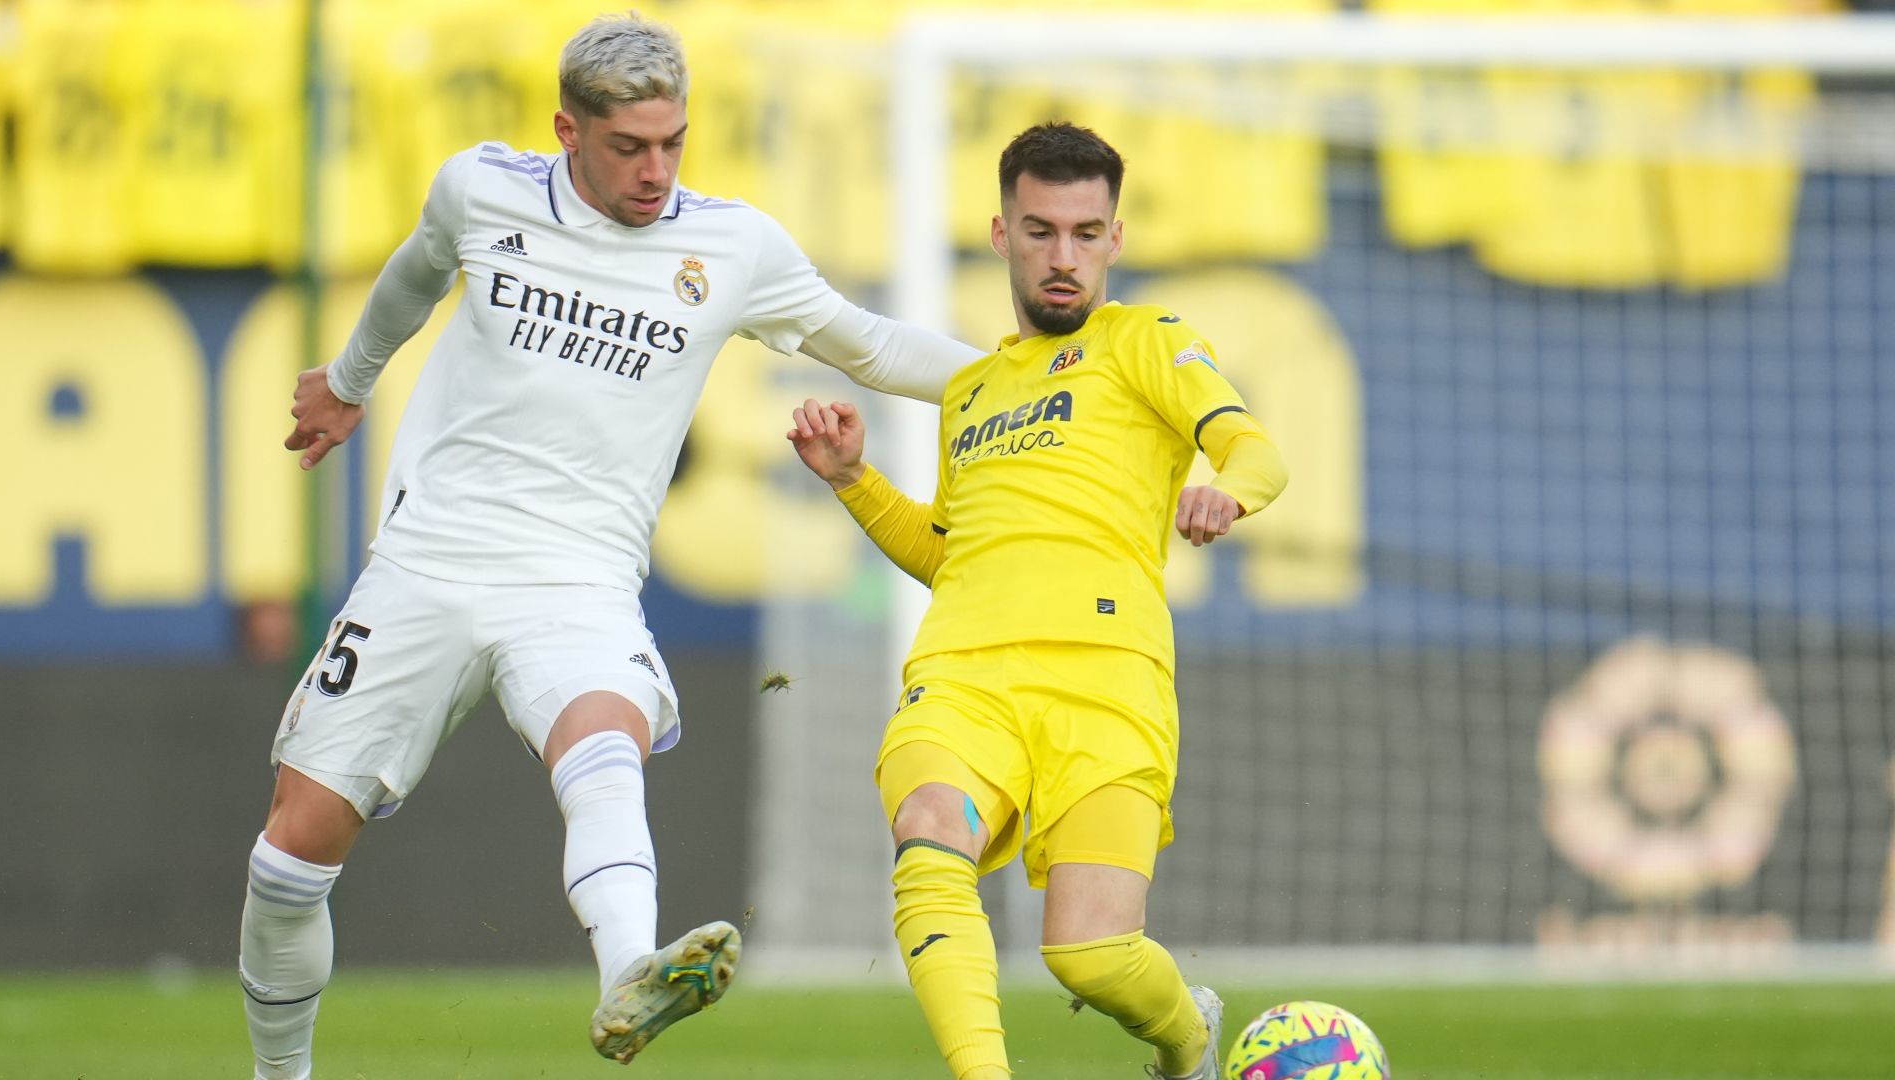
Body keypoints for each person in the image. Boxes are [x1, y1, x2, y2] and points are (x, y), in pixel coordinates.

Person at [241, 13, 980, 1079]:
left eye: (673, 142)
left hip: (579, 580)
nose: (655, 170)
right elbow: (412, 274)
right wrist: (349, 382)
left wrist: (1044, 382)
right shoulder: (480, 191)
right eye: (629, 147)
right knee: (288, 861)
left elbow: (870, 345)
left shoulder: (732, 246)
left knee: (603, 751)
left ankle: (633, 969)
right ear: (567, 130)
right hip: (429, 560)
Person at [786, 122, 1289, 1080]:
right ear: (1001, 234)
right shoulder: (970, 393)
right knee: (930, 827)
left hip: (1109, 683)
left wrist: (1230, 492)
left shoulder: (1147, 341)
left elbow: (1255, 449)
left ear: (1115, 239)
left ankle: (1188, 1041)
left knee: (1090, 956)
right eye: (1041, 231)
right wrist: (853, 478)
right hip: (964, 676)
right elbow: (952, 554)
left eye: (1085, 233)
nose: (1064, 257)